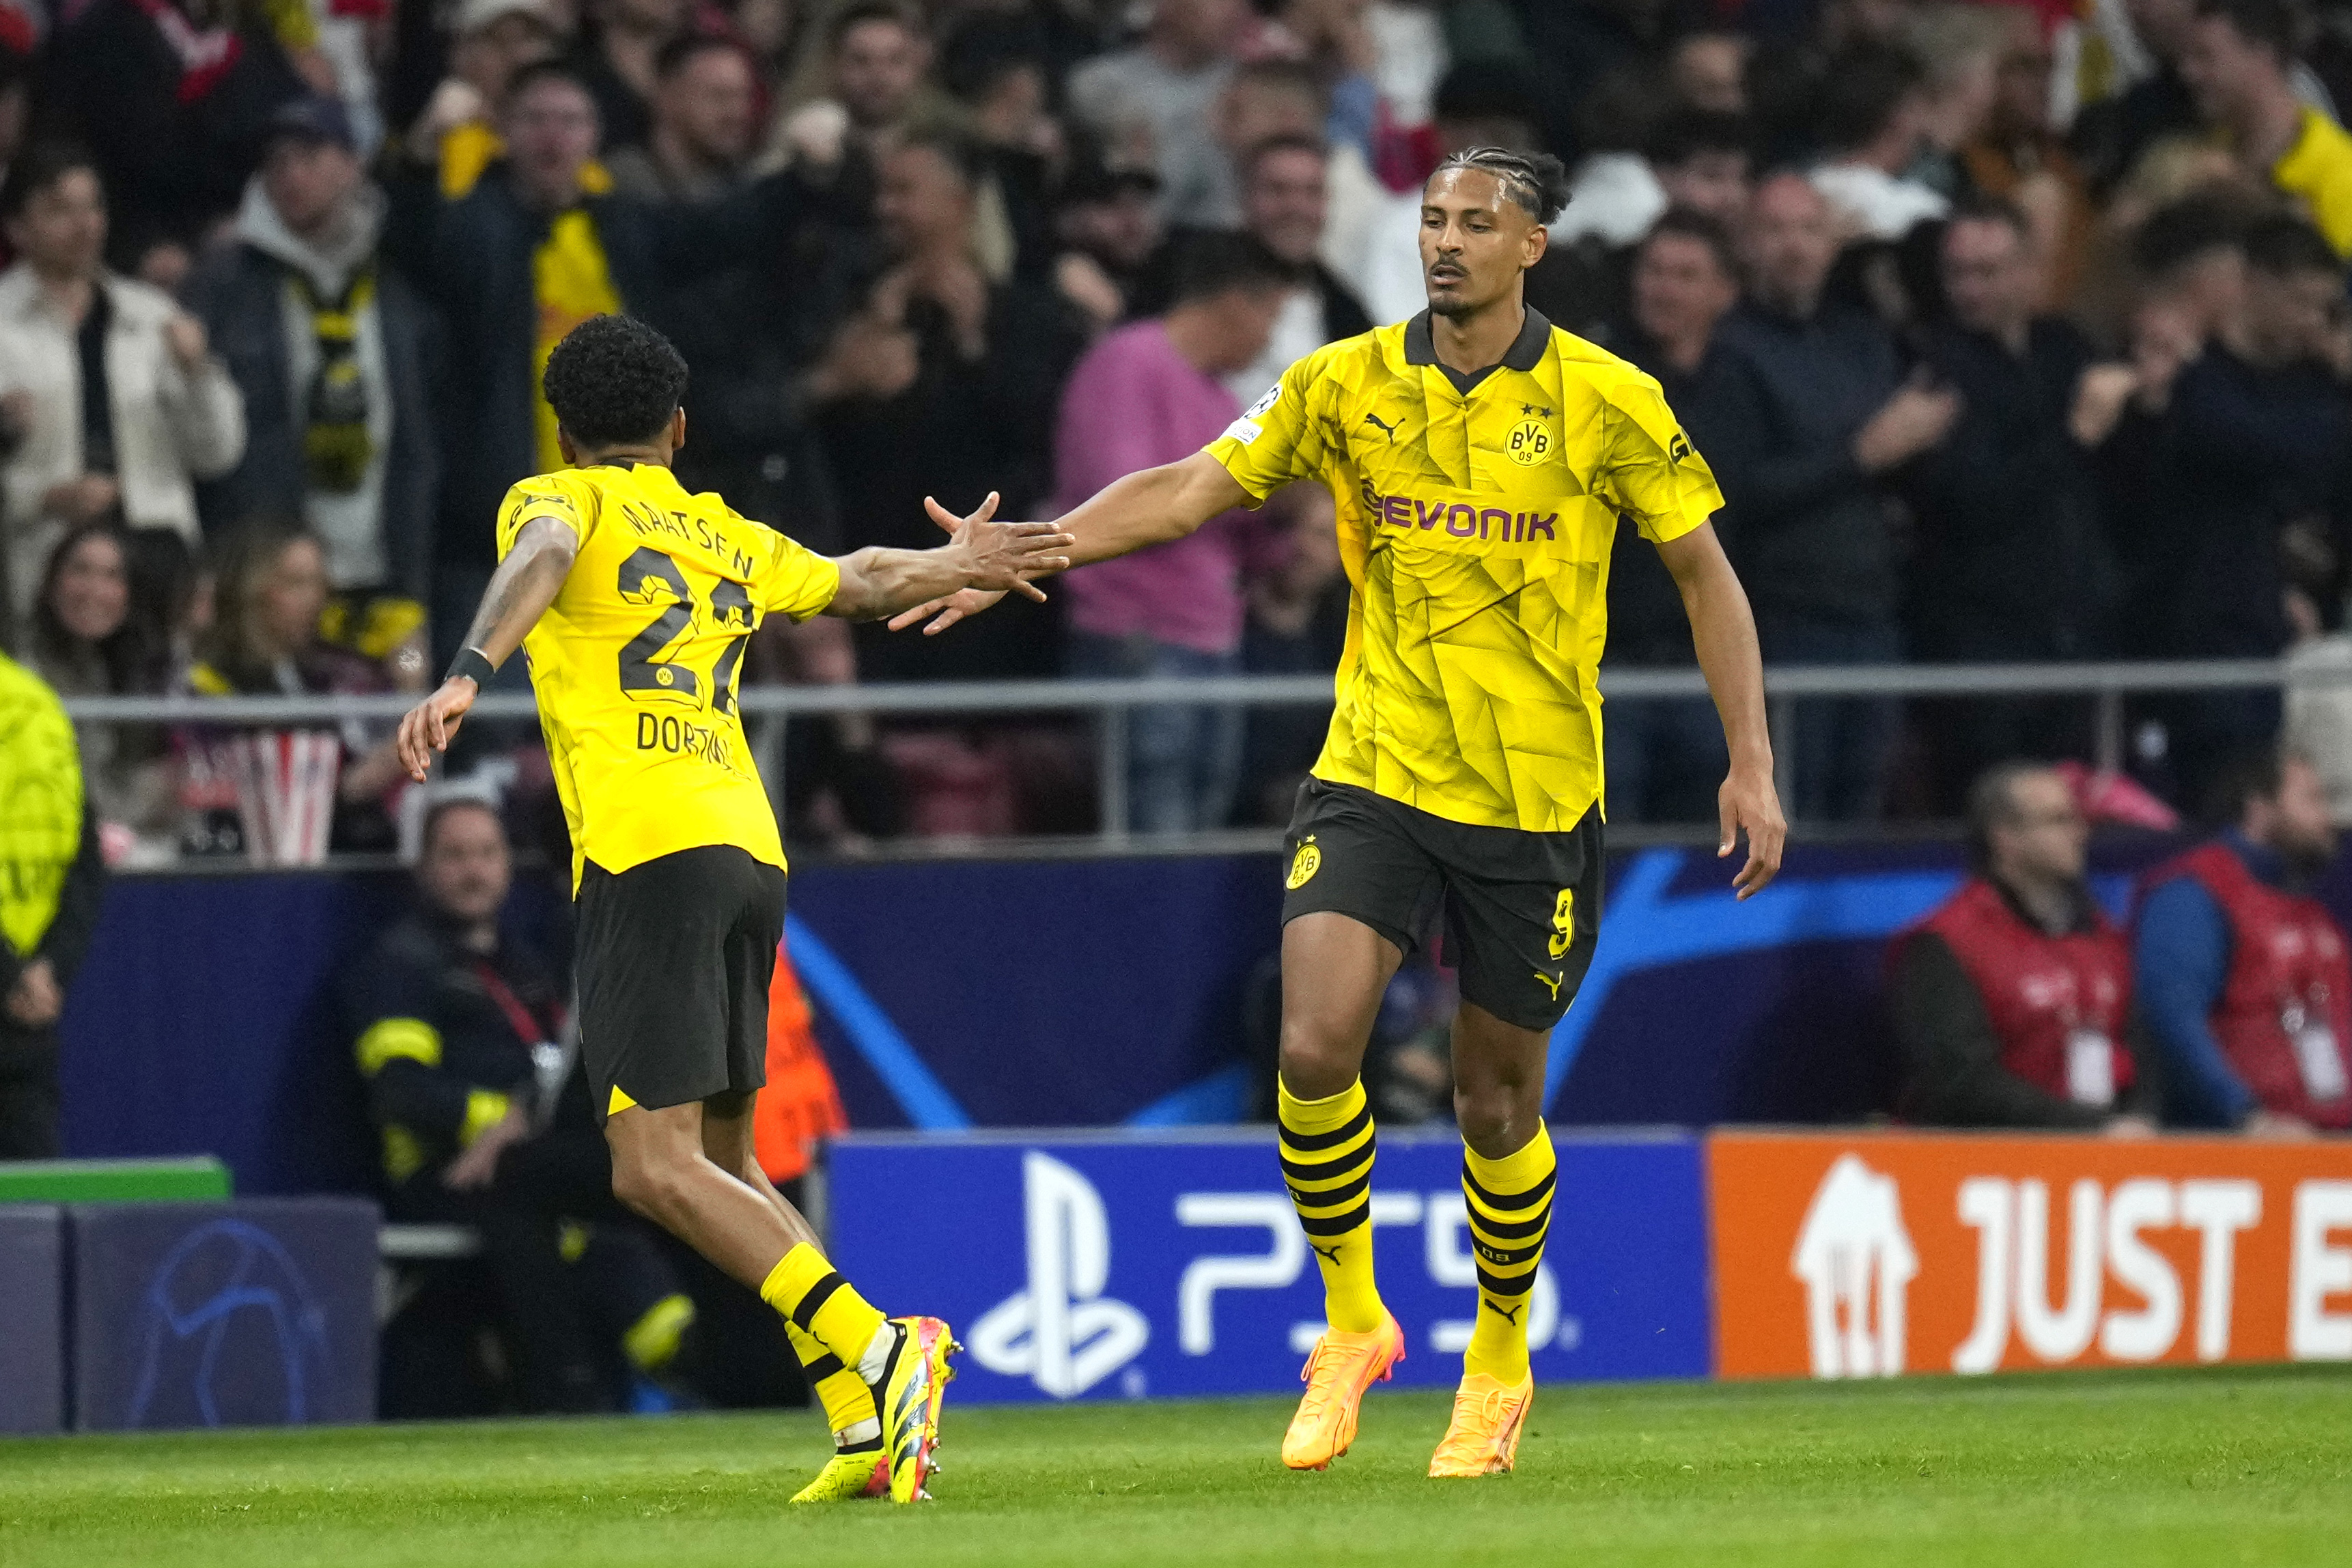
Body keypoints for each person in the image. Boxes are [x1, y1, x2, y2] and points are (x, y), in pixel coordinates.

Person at [893, 146, 1784, 1476]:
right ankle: (1354, 1320)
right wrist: (1040, 543)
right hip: (1372, 764)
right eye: (1431, 219)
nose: (1446, 242)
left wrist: (1750, 758)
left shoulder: (1608, 400)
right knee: (1314, 1044)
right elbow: (1196, 483)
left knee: (1495, 1103)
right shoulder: (1345, 382)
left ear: (1531, 247)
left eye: (1477, 224)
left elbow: (1708, 577)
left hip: (1533, 792)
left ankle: (1496, 1350)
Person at [393, 312, 1076, 1502]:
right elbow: (858, 580)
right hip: (748, 851)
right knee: (722, 1158)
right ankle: (863, 1422)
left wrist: (466, 670)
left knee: (647, 1170)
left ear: (562, 429)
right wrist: (954, 563)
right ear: (680, 427)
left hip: (647, 851)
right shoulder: (718, 530)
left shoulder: (556, 498)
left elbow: (543, 553)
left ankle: (882, 1347)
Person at [353, 794, 699, 1413]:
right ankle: (584, 1381)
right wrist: (503, 1121)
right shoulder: (402, 964)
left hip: (529, 1159)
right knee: (544, 1203)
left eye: (488, 853)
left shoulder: (527, 964)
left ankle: (693, 1349)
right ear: (423, 868)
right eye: (454, 855)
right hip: (445, 1170)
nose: (473, 871)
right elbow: (402, 1092)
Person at [1717, 172, 1955, 822]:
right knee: (1788, 812)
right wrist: (1862, 456)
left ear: (1832, 243)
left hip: (1874, 613)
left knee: (1863, 812)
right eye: (1776, 230)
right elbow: (1731, 493)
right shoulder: (1729, 349)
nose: (1795, 247)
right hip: (1783, 622)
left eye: (1810, 230)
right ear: (1744, 245)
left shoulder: (1862, 339)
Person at [186, 96, 440, 684]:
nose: (291, 175)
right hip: (272, 576)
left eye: (309, 156)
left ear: (353, 164)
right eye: (276, 162)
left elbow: (422, 430)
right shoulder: (224, 282)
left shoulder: (397, 273)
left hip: (386, 568)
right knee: (282, 720)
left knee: (408, 692)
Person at [1056, 234, 1300, 833]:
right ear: (1239, 303)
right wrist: (1257, 490)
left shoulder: (1219, 398)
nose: (1269, 338)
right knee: (1155, 829)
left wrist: (1295, 516)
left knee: (1200, 832)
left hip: (1212, 641)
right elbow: (1128, 494)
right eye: (1271, 317)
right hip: (1140, 639)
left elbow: (1248, 537)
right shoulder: (1128, 362)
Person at [1902, 201, 2116, 811]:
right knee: (1996, 811)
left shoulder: (2064, 348)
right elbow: (1964, 497)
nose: (1970, 289)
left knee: (2078, 809)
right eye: (1958, 273)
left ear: (2029, 270)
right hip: (1979, 640)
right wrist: (2073, 437)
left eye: (1989, 272)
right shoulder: (1932, 363)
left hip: (2076, 629)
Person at [0, 145, 245, 641]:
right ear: (16, 227)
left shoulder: (152, 316)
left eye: (93, 208)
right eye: (59, 209)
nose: (84, 224)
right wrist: (41, 497)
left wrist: (198, 373)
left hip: (154, 562)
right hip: (42, 571)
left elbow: (217, 454)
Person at [1892, 763, 2159, 1132]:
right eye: (2058, 821)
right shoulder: (1947, 943)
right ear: (2005, 838)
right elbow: (1960, 1085)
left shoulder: (2103, 936)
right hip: (1992, 1166)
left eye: (2078, 819)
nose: (2079, 833)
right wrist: (2088, 1128)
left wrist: (2138, 1121)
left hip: (2103, 1158)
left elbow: (2141, 1053)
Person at [1606, 210, 1756, 824]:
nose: (1662, 288)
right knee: (1601, 851)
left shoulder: (1743, 384)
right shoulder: (1596, 377)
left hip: (1704, 661)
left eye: (1685, 275)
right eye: (1654, 271)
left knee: (1707, 849)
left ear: (1725, 292)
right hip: (1606, 663)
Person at [2136, 748, 2352, 1133]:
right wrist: (2248, 1116)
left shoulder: (2310, 910)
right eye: (2312, 800)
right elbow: (2174, 1018)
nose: (2328, 819)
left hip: (2328, 1139)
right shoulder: (2194, 892)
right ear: (2260, 808)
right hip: (2246, 1151)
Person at [185, 522, 408, 856]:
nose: (316, 599)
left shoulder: (330, 668)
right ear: (251, 591)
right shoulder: (213, 679)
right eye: (296, 583)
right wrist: (366, 776)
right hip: (252, 851)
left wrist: (411, 681)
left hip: (351, 846)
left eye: (319, 583)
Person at [0, 647, 104, 1158]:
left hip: (20, 1010)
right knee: (30, 1224)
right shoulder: (40, 705)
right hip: (27, 1013)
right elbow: (86, 861)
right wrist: (47, 969)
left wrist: (17, 976)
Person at [26, 521, 178, 860]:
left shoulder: (144, 673)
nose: (94, 589)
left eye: (113, 576)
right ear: (51, 584)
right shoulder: (23, 675)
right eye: (80, 570)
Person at [2179, 0, 2352, 257]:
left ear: (2262, 54)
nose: (2189, 72)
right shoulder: (2201, 153)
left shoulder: (2341, 176)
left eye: (2205, 56)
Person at [605, 36, 759, 201]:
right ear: (666, 97)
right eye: (719, 97)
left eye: (744, 97)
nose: (738, 113)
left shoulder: (747, 193)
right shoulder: (615, 183)